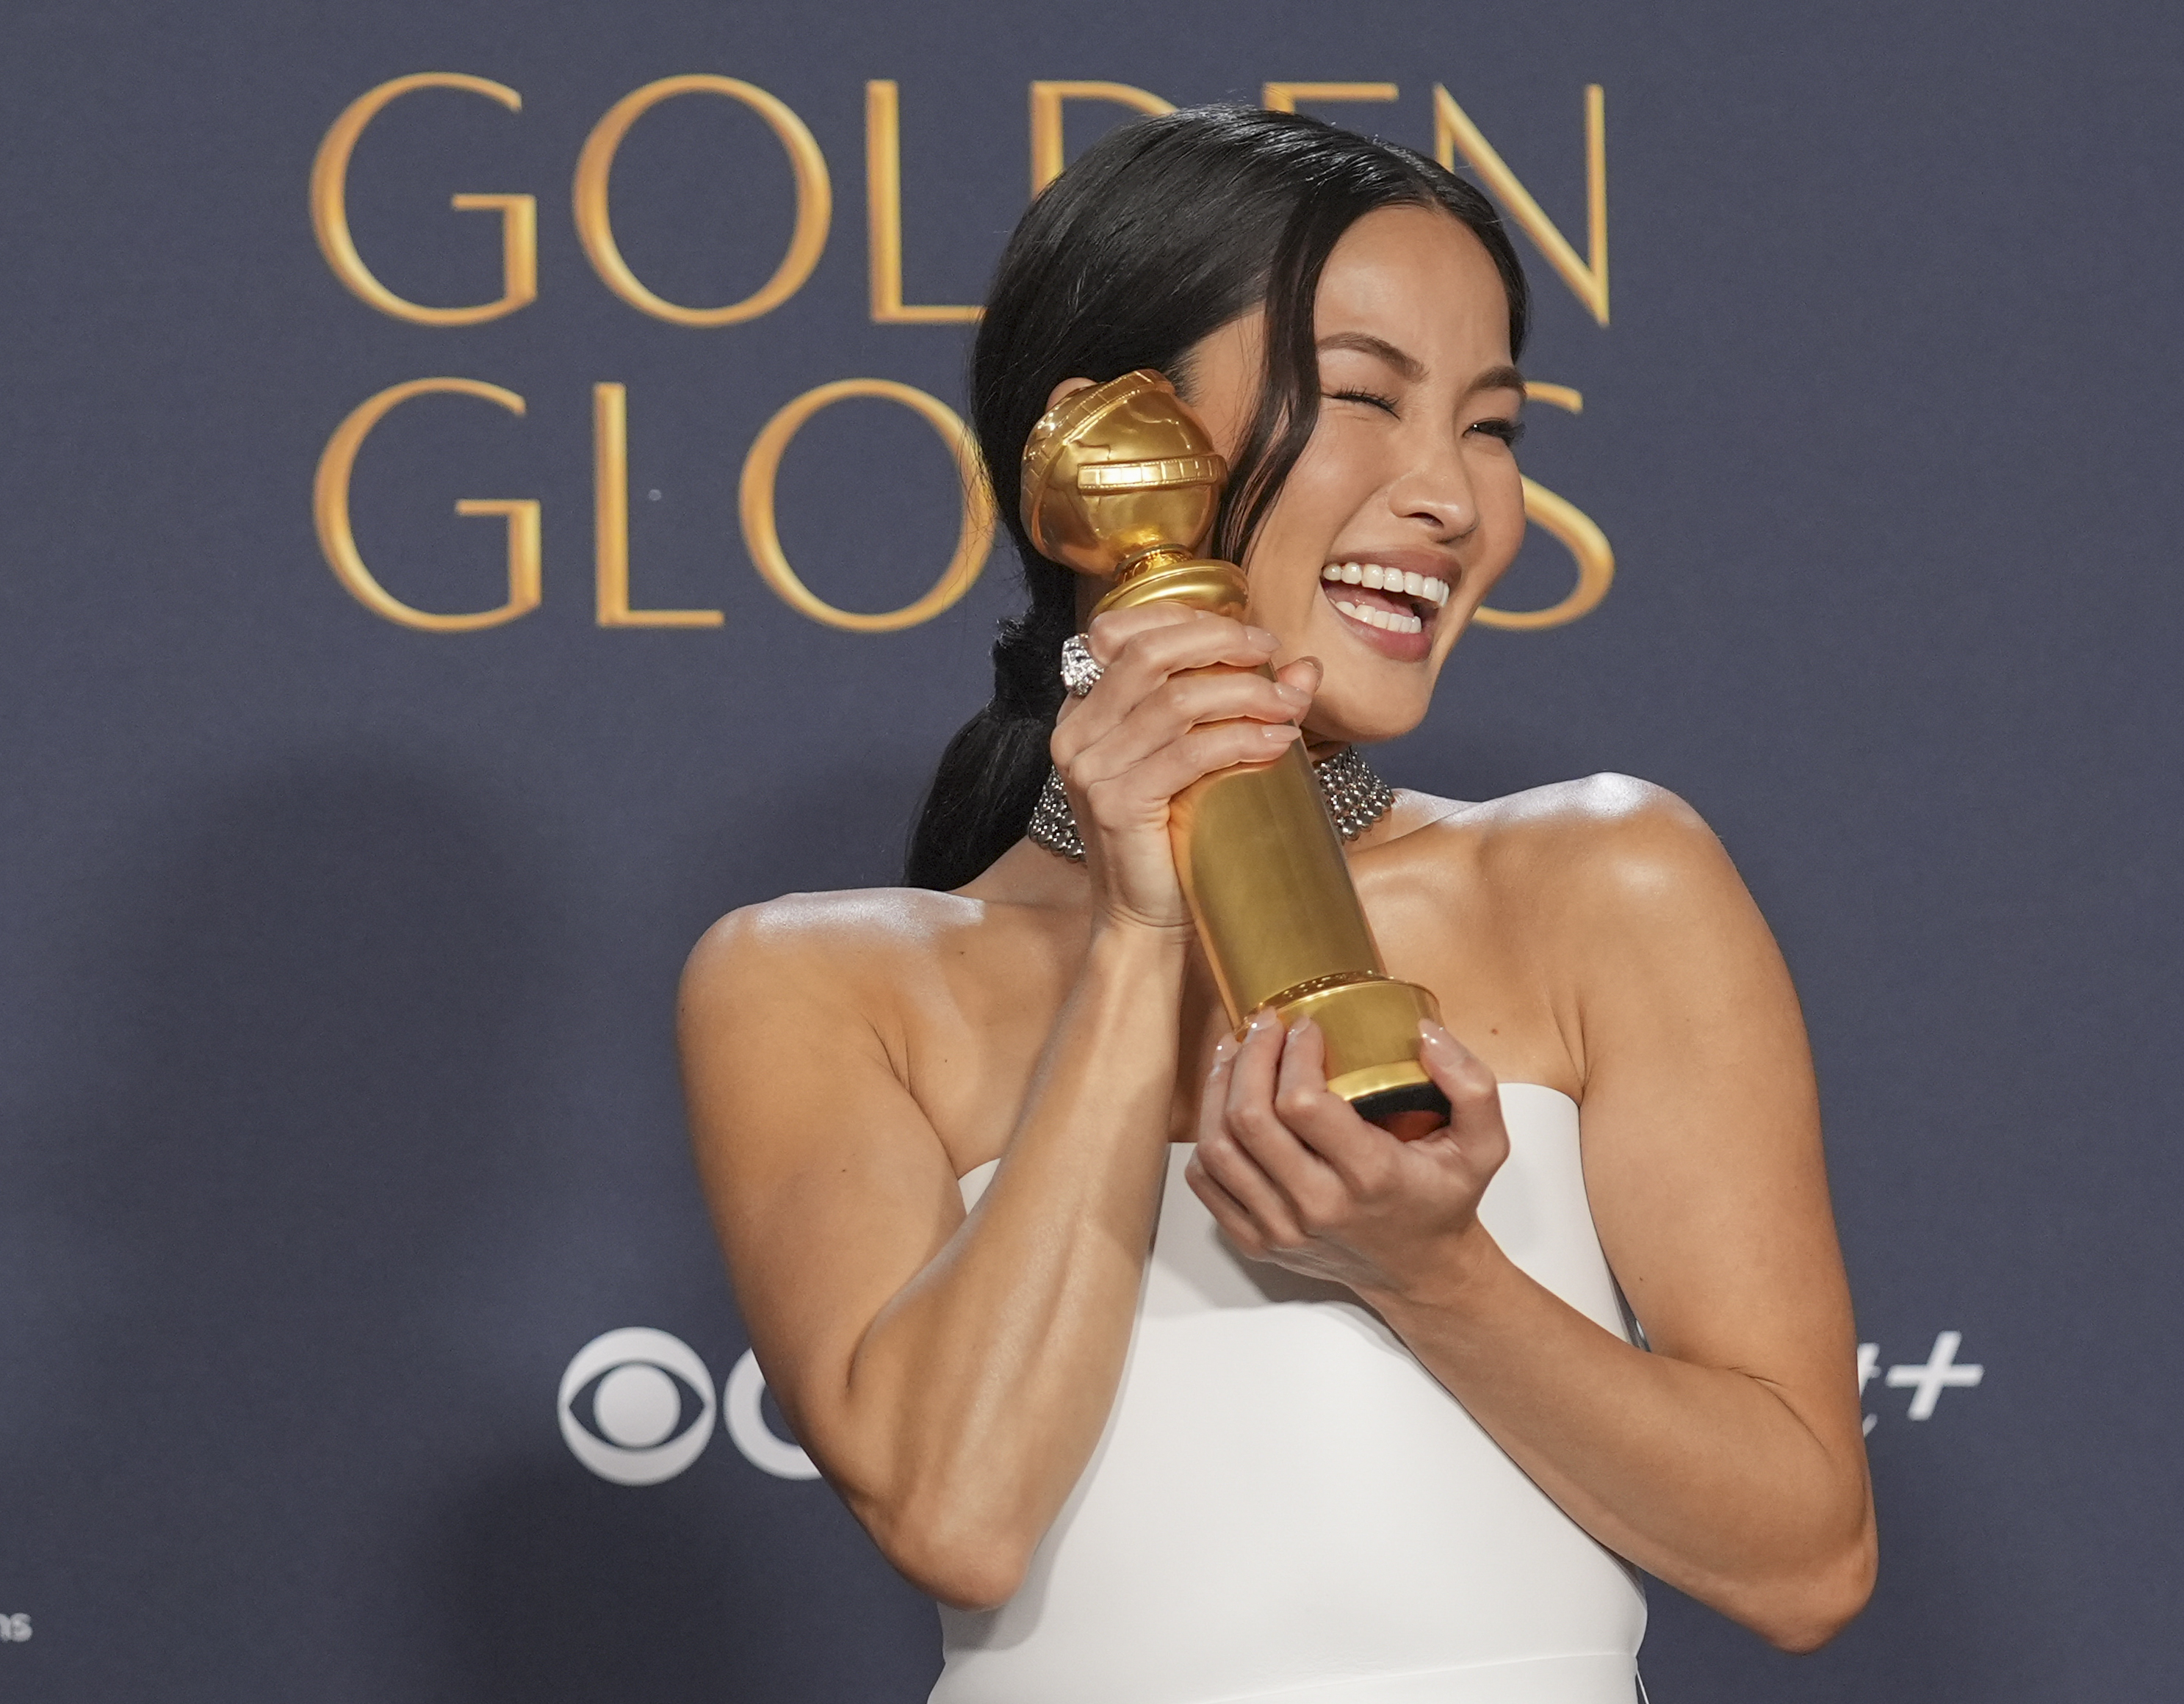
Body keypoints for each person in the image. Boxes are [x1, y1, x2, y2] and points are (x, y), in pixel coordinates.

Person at [679, 107, 1875, 1703]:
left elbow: (1805, 1559)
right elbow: (959, 1514)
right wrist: (1139, 935)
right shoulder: (817, 984)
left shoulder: (1607, 881)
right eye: (1368, 397)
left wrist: (1430, 1270)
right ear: (1109, 444)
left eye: (1494, 425)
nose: (1452, 497)